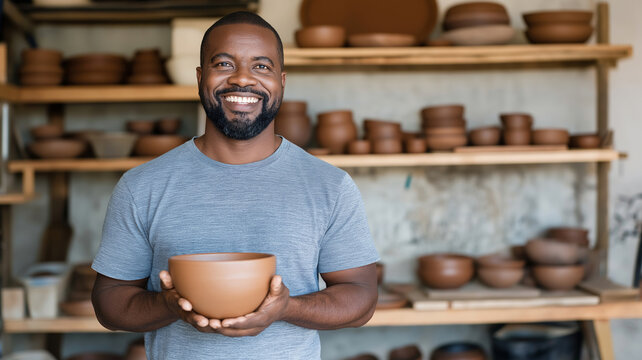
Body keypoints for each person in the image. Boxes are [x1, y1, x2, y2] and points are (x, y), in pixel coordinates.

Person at [91, 11, 379, 360]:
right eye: (224, 64)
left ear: (282, 81)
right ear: (200, 77)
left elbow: (361, 298)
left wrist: (285, 308)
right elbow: (109, 303)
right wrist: (171, 306)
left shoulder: (329, 185)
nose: (243, 79)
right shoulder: (143, 186)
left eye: (261, 67)